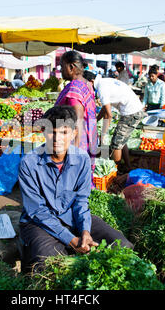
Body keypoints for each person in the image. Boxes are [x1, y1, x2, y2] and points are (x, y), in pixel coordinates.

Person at [18, 105, 134, 273]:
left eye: (64, 132)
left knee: (122, 245)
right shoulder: (29, 163)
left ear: (73, 134)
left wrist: (85, 231)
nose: (57, 138)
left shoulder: (81, 159)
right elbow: (37, 211)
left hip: (71, 217)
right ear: (43, 132)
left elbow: (81, 201)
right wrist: (71, 239)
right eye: (52, 131)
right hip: (38, 223)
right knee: (49, 264)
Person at [84, 71, 145, 171]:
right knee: (121, 140)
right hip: (134, 109)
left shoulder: (101, 89)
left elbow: (109, 114)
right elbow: (105, 108)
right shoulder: (105, 81)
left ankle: (116, 171)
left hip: (131, 112)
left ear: (91, 81)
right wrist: (96, 120)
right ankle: (127, 166)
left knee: (116, 144)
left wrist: (103, 134)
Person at [54, 51, 98, 186]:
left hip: (75, 141)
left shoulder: (74, 88)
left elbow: (78, 119)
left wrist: (75, 150)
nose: (60, 70)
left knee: (71, 179)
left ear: (72, 67)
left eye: (62, 66)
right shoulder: (86, 84)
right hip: (88, 138)